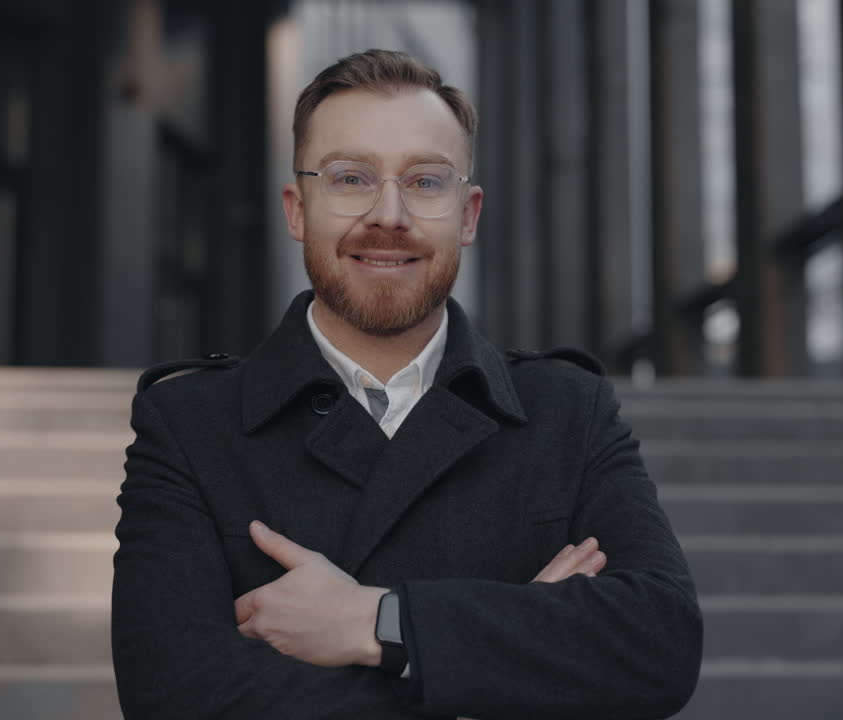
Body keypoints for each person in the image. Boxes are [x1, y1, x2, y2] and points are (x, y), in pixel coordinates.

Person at [112, 49, 702, 720]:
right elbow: (173, 696)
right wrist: (505, 660)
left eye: (425, 182)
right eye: (350, 177)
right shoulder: (189, 424)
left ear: (469, 214)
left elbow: (660, 642)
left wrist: (377, 623)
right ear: (298, 209)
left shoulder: (568, 408)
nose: (388, 214)